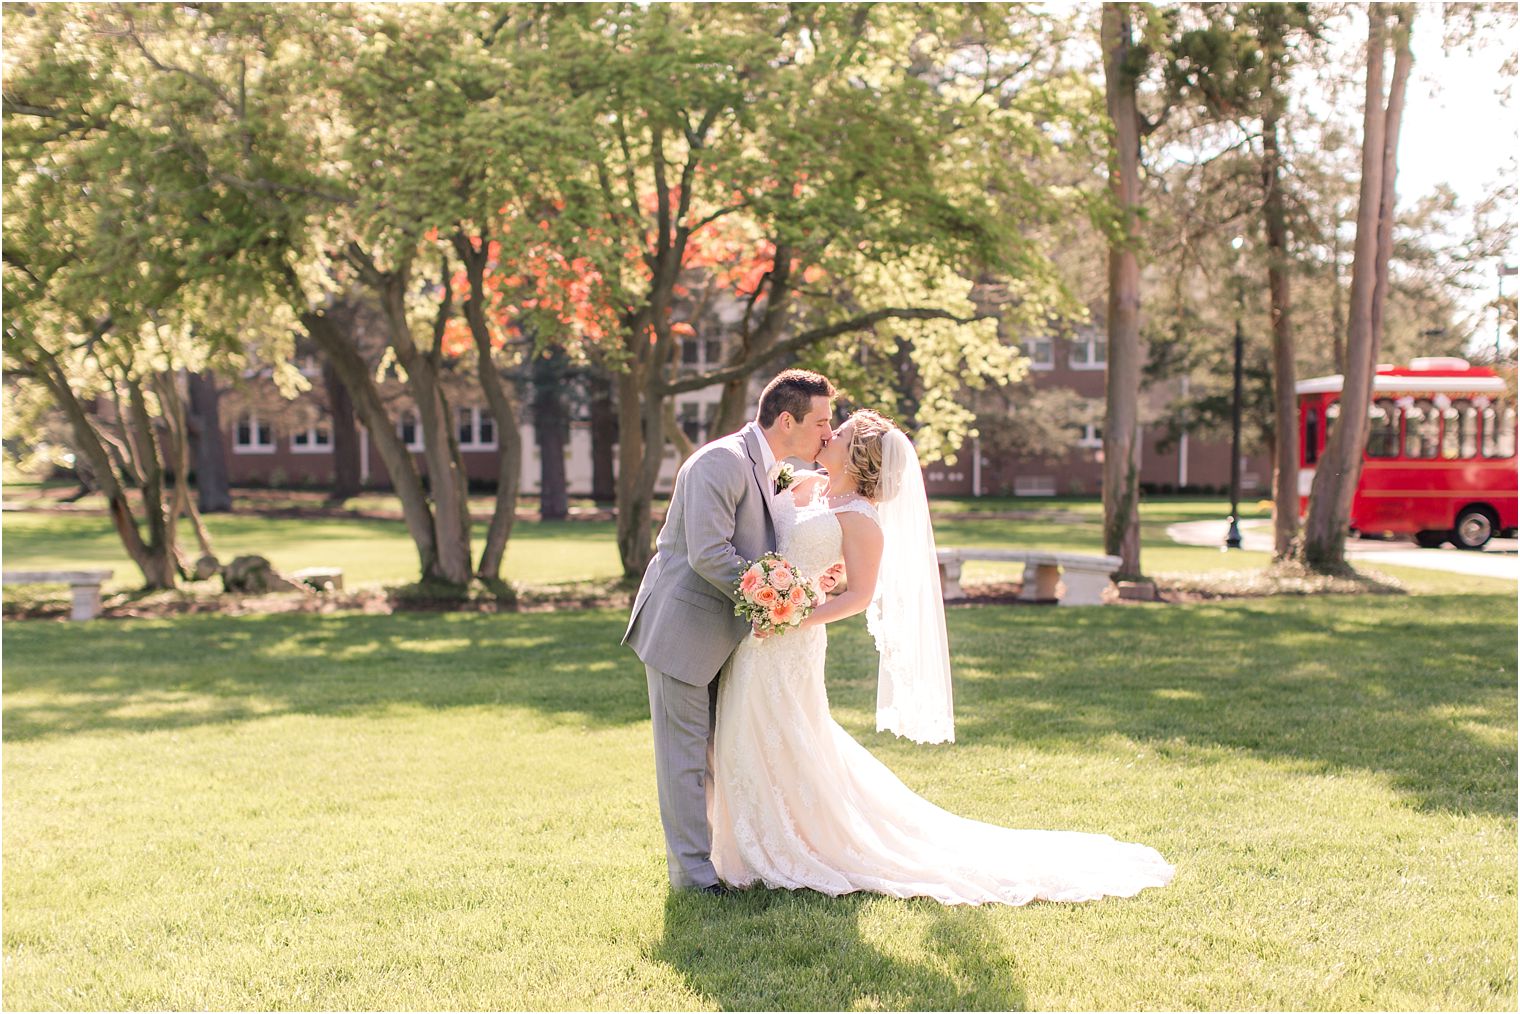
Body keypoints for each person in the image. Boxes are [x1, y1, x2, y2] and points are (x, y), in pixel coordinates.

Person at [709, 410, 1176, 905]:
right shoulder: (807, 486)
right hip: (761, 627)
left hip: (791, 636)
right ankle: (744, 837)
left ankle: (784, 843)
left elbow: (861, 595)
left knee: (786, 728)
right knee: (752, 728)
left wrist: (794, 615)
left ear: (859, 452)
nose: (828, 433)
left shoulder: (862, 518)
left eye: (839, 432)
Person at [623, 369, 836, 893]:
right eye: (822, 423)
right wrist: (778, 601)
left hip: (729, 636)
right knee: (685, 760)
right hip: (684, 630)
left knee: (721, 756)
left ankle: (723, 862)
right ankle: (694, 880)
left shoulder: (770, 467)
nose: (829, 435)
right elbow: (709, 552)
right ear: (787, 420)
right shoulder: (720, 461)